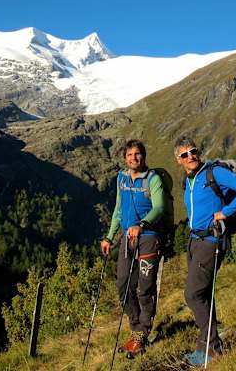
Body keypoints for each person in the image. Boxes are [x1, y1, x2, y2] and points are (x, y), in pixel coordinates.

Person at [174, 136, 236, 366]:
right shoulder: (188, 180)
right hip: (195, 241)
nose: (190, 156)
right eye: (184, 154)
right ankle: (208, 347)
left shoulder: (214, 173)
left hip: (212, 240)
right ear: (178, 160)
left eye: (193, 151)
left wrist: (226, 212)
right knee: (204, 293)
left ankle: (211, 349)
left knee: (193, 295)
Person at [101, 139, 165, 356]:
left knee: (145, 289)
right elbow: (118, 209)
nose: (133, 158)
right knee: (123, 285)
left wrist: (142, 224)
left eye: (137, 154)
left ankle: (142, 335)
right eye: (129, 155)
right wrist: (109, 237)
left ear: (143, 156)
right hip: (127, 239)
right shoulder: (122, 179)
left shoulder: (153, 179)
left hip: (148, 238)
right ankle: (136, 328)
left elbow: (159, 207)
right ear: (124, 158)